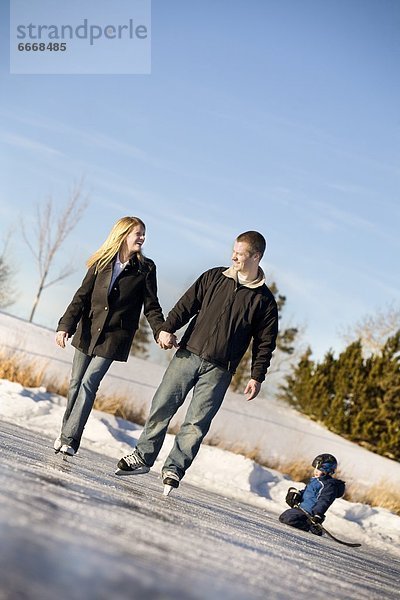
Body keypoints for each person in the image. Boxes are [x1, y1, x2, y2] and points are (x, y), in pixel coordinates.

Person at [116, 230, 279, 492]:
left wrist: (257, 376)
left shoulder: (265, 302)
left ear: (256, 257)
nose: (233, 257)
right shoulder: (214, 277)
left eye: (239, 254)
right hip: (188, 353)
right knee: (162, 405)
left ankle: (174, 469)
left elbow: (265, 343)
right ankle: (143, 456)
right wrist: (168, 327)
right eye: (233, 251)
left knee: (196, 423)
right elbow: (186, 304)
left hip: (219, 369)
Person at [54, 216, 165, 456]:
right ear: (124, 234)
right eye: (138, 233)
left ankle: (70, 440)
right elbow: (81, 296)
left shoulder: (146, 269)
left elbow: (152, 305)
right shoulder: (101, 261)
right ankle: (65, 433)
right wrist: (65, 326)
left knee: (88, 383)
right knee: (75, 383)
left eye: (144, 233)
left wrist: (160, 330)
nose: (143, 238)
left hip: (115, 336)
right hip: (88, 330)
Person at [279, 453, 346, 535]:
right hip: (301, 509)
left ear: (327, 471)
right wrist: (297, 495)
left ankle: (311, 526)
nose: (316, 472)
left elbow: (324, 501)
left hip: (310, 514)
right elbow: (307, 491)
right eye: (315, 469)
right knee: (284, 517)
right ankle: (311, 525)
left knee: (288, 519)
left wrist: (317, 514)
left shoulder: (329, 486)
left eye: (319, 470)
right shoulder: (316, 480)